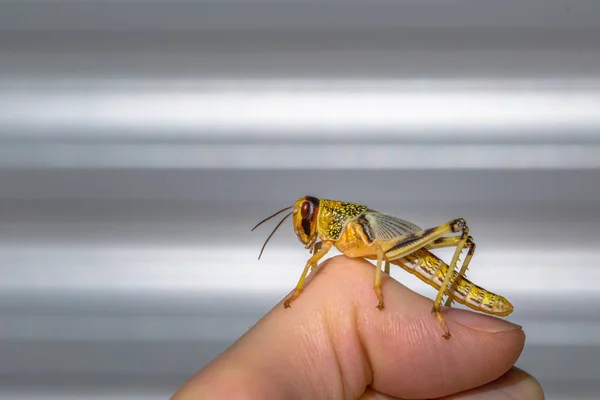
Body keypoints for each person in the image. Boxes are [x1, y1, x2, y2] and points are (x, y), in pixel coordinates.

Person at [171, 256, 544, 399]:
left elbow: (380, 254)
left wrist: (378, 291)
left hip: (404, 246)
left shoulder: (350, 226)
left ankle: (441, 306)